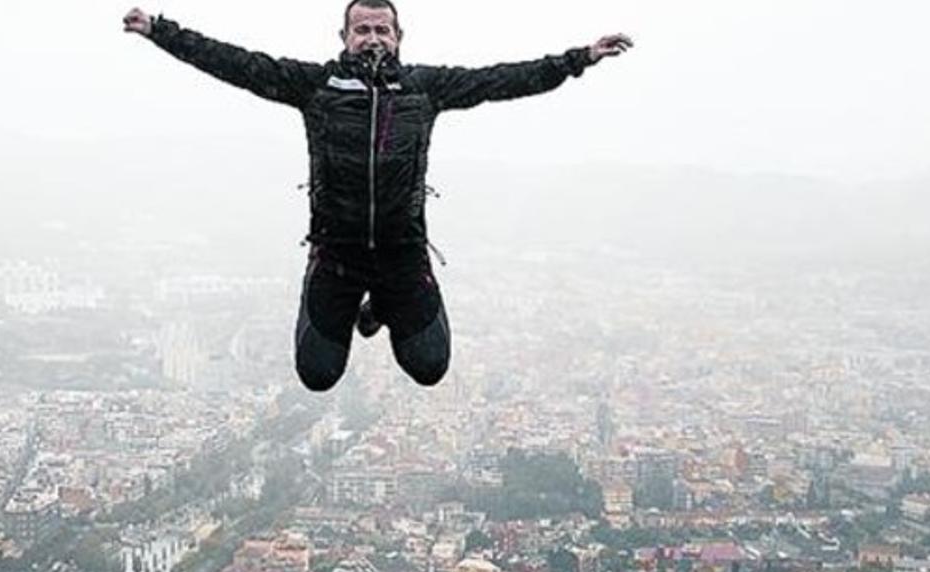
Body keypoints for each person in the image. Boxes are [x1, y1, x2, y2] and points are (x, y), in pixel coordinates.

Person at [123, 1, 632, 392]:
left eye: (380, 29)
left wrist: (578, 58)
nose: (372, 38)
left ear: (398, 37)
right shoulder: (314, 86)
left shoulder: (425, 88)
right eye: (361, 29)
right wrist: (161, 31)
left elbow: (504, 80)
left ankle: (379, 310)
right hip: (336, 254)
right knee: (318, 376)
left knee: (430, 369)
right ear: (343, 36)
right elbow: (234, 63)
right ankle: (354, 304)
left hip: (402, 255)